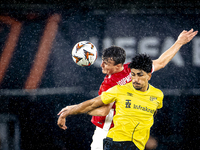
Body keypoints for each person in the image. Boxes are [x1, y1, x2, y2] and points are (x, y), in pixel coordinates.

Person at [57, 29, 198, 150]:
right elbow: (161, 62)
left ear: (118, 66)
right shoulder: (133, 69)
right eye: (103, 61)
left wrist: (76, 109)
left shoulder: (108, 84)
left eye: (106, 64)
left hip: (109, 131)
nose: (102, 65)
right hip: (129, 131)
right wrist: (179, 42)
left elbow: (103, 110)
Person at [58, 53, 164, 150]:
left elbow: (147, 116)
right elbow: (92, 104)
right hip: (116, 143)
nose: (135, 79)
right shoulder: (119, 90)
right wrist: (69, 111)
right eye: (133, 74)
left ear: (149, 76)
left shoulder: (158, 95)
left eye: (139, 75)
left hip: (137, 146)